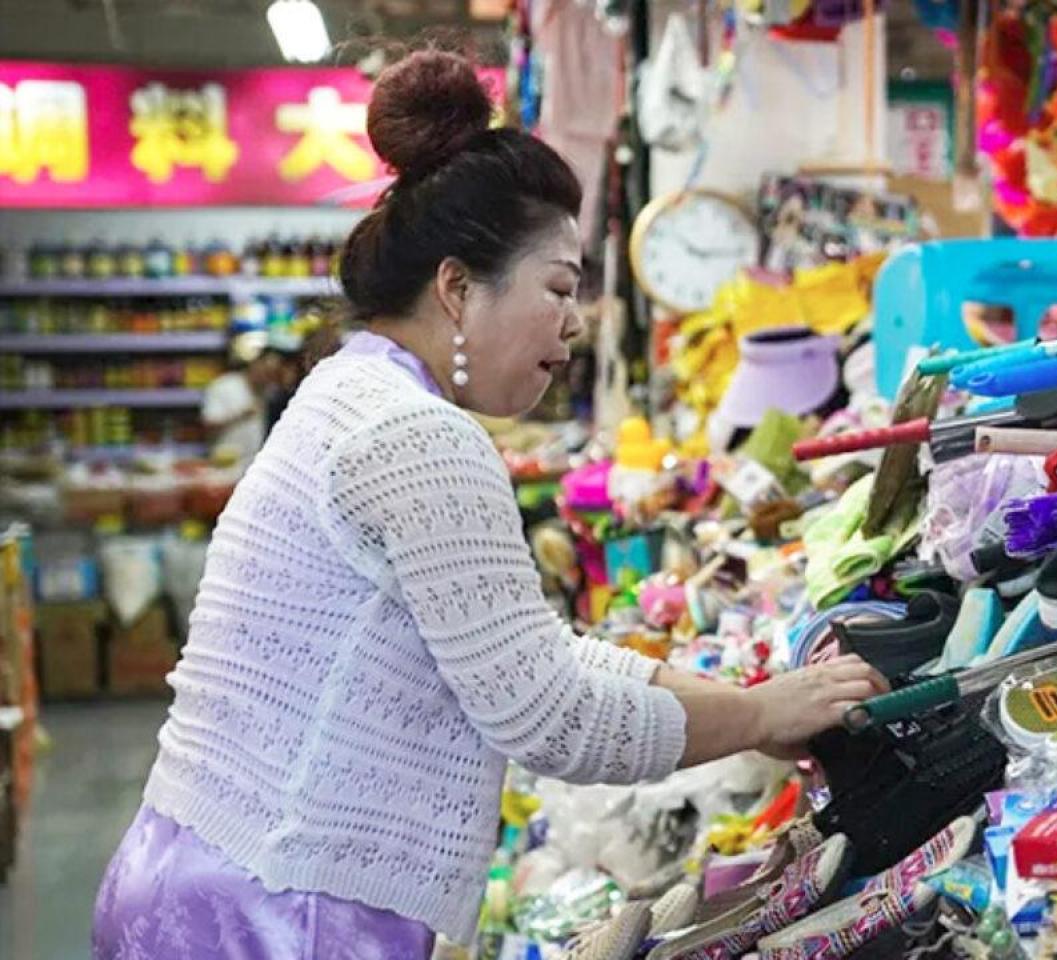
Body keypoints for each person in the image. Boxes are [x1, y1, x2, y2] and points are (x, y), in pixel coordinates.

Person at [93, 49, 886, 959]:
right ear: (458, 287)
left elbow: (524, 650)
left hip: (201, 868)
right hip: (281, 909)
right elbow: (550, 716)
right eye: (559, 288)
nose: (575, 322)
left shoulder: (349, 391)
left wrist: (748, 702)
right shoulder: (419, 435)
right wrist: (757, 719)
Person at [200, 335, 284, 469]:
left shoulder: (272, 393)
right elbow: (208, 426)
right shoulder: (224, 386)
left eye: (272, 373)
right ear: (254, 364)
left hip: (256, 465)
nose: (268, 377)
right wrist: (241, 415)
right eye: (265, 370)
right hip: (226, 465)